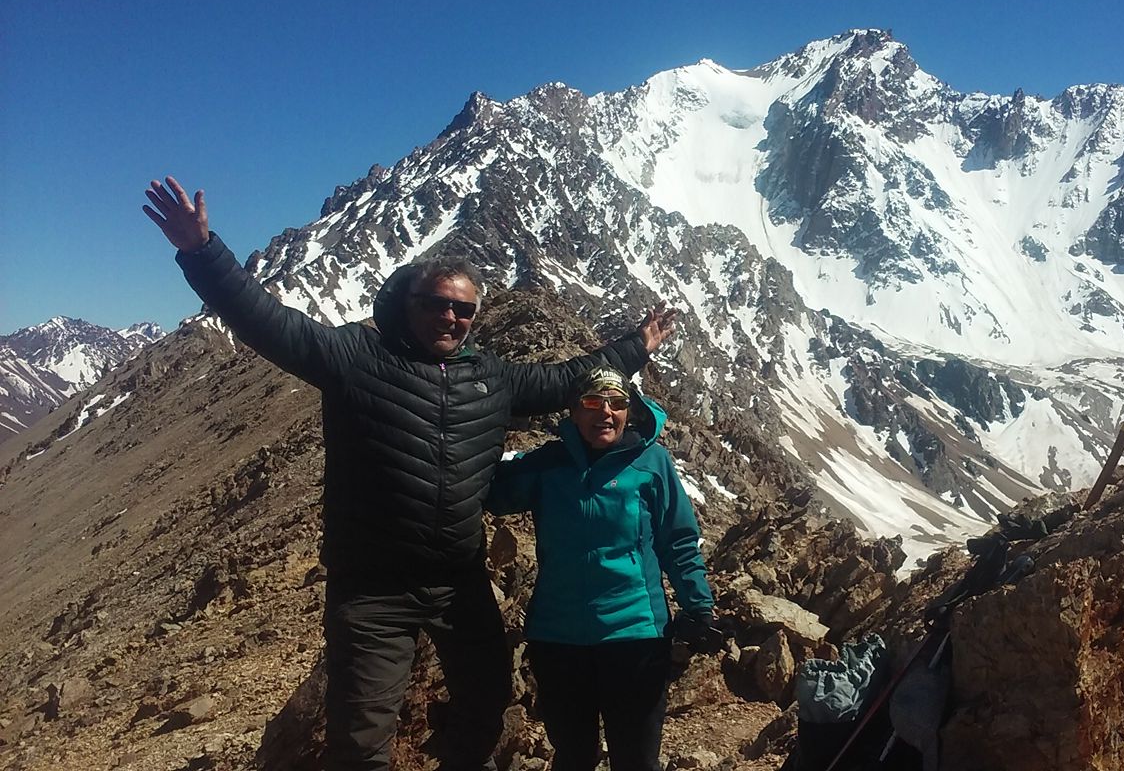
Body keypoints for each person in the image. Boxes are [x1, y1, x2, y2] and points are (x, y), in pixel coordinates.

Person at [142, 177, 679, 771]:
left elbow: (566, 380)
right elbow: (268, 322)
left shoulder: (492, 377)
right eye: (437, 304)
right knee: (364, 735)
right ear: (406, 303)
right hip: (374, 588)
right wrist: (201, 252)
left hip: (459, 582)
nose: (451, 317)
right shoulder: (356, 357)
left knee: (487, 701)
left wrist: (636, 347)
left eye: (464, 309)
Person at [486, 365, 718, 771]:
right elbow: (492, 493)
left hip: (636, 636)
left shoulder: (652, 462)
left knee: (636, 759)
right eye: (593, 402)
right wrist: (479, 425)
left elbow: (677, 539)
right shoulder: (547, 464)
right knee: (574, 755)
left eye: (617, 403)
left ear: (630, 411)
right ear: (574, 411)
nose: (605, 413)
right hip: (558, 639)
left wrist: (699, 606)